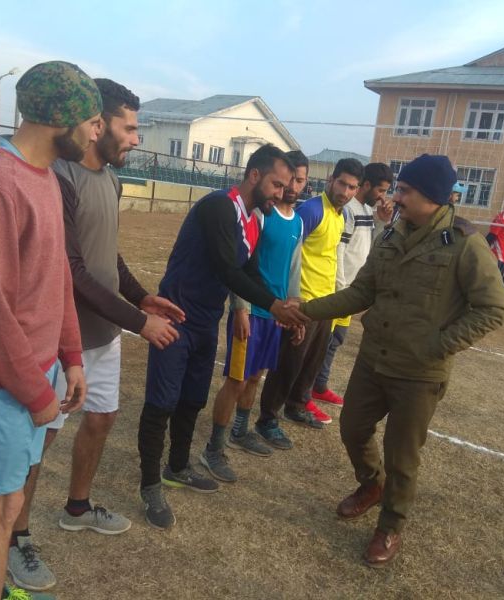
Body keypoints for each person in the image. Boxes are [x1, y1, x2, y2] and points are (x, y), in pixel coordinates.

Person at [6, 79, 185, 592]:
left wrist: (141, 297)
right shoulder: (56, 177)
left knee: (102, 418)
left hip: (106, 335)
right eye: (130, 128)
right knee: (42, 440)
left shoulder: (111, 180)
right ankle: (16, 537)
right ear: (99, 125)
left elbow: (108, 255)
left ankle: (78, 507)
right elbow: (74, 270)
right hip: (64, 340)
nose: (136, 139)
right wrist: (141, 322)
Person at [297, 153, 504, 567]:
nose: (397, 197)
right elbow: (361, 293)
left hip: (419, 372)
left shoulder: (466, 243)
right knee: (352, 429)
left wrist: (439, 345)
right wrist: (306, 309)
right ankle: (370, 485)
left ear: (431, 196)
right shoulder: (392, 235)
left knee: (402, 456)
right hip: (374, 359)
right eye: (399, 188)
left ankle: (390, 525)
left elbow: (494, 308)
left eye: (406, 191)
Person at [0, 61, 102, 600]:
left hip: (41, 374)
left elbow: (56, 275)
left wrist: (72, 357)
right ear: (61, 117)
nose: (97, 130)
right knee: (1, 509)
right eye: (92, 118)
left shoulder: (46, 180)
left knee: (15, 499)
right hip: (2, 386)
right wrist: (36, 393)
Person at [137, 144, 308, 530]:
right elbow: (227, 269)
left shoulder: (250, 218)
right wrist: (273, 305)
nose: (281, 193)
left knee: (193, 399)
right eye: (276, 185)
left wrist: (283, 305)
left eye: (284, 187)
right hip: (176, 316)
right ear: (254, 177)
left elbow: (249, 271)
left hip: (205, 320)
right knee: (160, 403)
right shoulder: (219, 206)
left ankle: (177, 466)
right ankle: (149, 485)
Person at [200, 150, 310, 483]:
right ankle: (213, 448)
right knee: (235, 380)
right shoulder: (261, 215)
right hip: (253, 311)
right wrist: (241, 308)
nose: (292, 187)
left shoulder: (299, 221)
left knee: (255, 377)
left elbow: (293, 270)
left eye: (298, 181)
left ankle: (240, 430)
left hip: (276, 313)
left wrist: (294, 309)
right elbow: (241, 264)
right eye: (286, 180)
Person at [256, 158, 364, 443]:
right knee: (289, 362)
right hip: (303, 302)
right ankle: (267, 418)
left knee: (312, 362)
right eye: (341, 183)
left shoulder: (340, 214)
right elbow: (289, 249)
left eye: (352, 187)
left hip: (326, 302)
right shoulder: (312, 210)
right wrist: (292, 301)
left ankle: (296, 405)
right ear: (330, 179)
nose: (345, 191)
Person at [310, 162, 394, 407]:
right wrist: (341, 287)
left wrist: (382, 221)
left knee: (335, 341)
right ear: (366, 185)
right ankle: (304, 392)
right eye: (380, 190)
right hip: (341, 289)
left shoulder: (366, 210)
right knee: (322, 343)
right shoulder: (348, 210)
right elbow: (340, 249)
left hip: (352, 290)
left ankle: (319, 385)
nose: (383, 197)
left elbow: (369, 246)